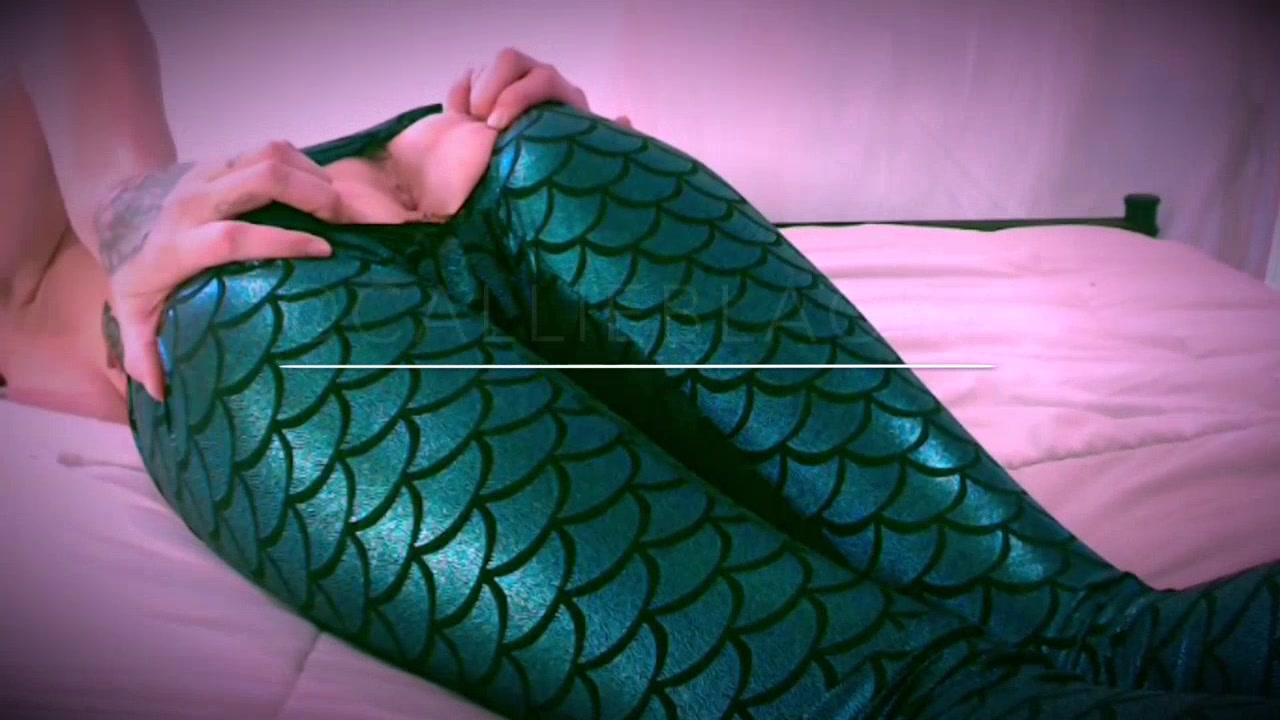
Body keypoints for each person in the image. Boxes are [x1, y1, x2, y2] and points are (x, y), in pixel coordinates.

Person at [3, 2, 1278, 718]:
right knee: (955, 684)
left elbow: (107, 139)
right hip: (256, 292)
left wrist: (137, 214)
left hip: (366, 198)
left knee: (1065, 641)